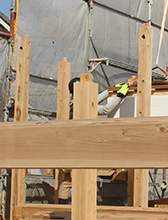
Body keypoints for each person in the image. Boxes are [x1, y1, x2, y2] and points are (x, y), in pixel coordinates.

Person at [56, 74, 137, 202]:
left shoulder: (74, 103)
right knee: (79, 180)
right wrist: (120, 96)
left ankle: (61, 206)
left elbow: (93, 98)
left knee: (66, 182)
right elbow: (105, 109)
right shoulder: (82, 105)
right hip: (77, 150)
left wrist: (110, 90)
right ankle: (79, 209)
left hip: (66, 150)